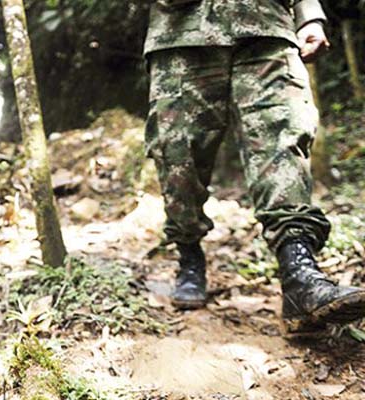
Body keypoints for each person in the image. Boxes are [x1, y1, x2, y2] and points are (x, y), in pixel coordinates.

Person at [143, 0, 365, 332]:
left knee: (284, 139)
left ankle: (298, 274)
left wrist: (308, 16)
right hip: (182, 30)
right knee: (179, 157)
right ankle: (189, 254)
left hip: (267, 27)